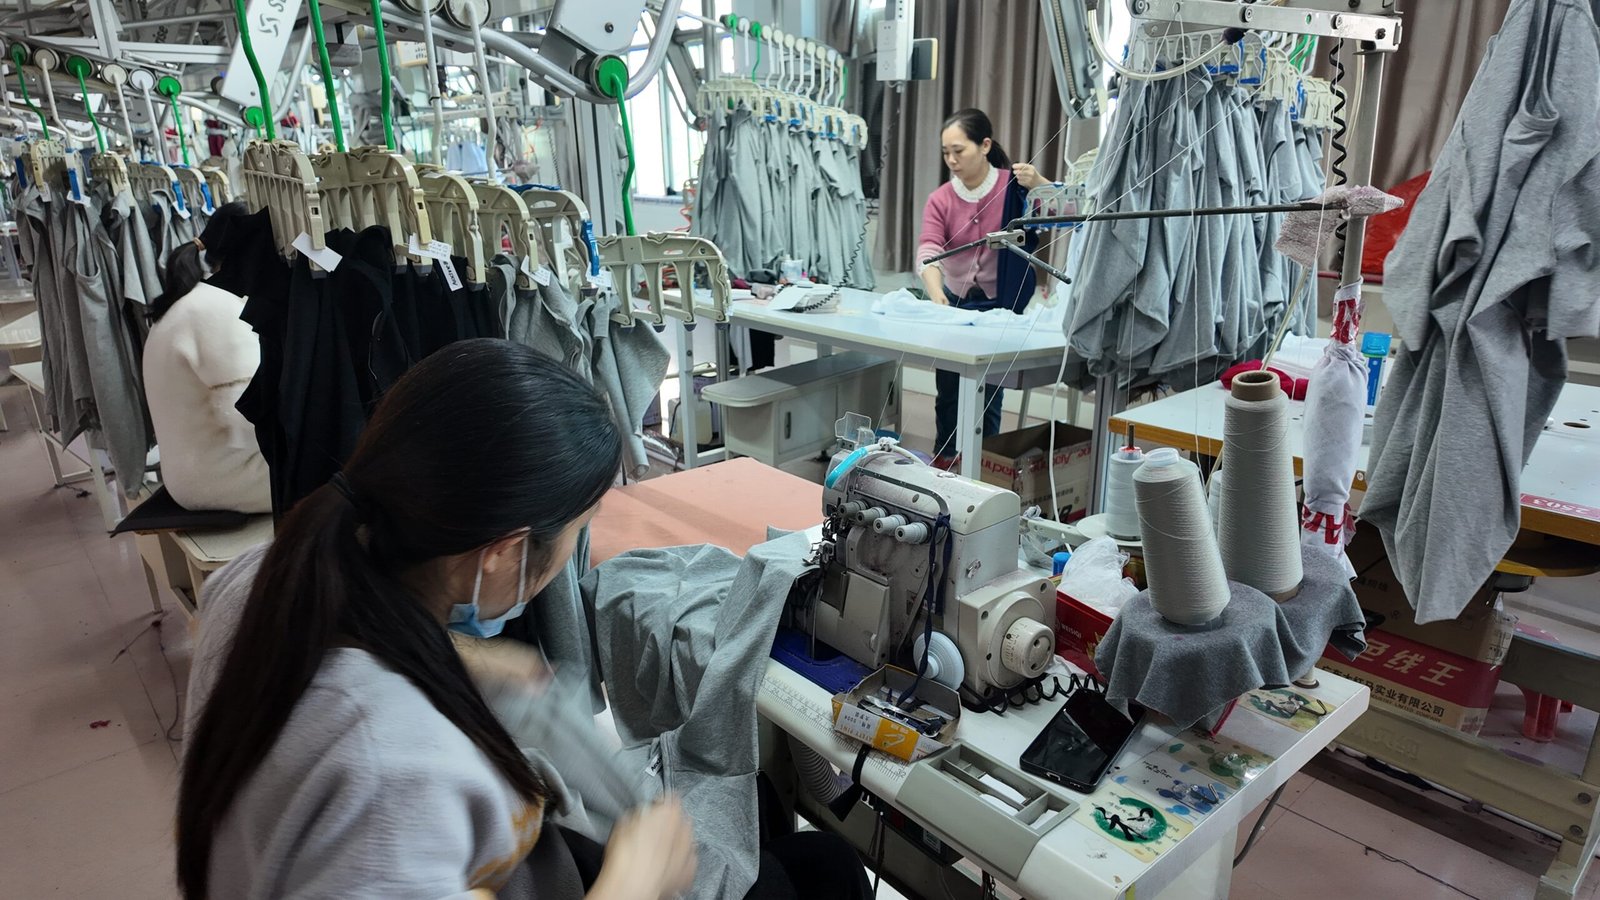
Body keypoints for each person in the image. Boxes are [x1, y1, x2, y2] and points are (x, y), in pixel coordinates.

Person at [177, 339, 870, 900]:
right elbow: (387, 786)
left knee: (779, 831)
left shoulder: (260, 582)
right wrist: (634, 881)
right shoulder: (391, 773)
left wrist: (460, 655)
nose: (575, 551)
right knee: (823, 871)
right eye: (578, 531)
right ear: (505, 554)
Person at [915, 108, 1051, 467]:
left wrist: (1039, 183)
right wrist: (937, 294)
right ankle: (944, 461)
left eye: (959, 151)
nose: (951, 160)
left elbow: (1062, 214)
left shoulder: (1014, 187)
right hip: (954, 303)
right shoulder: (941, 198)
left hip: (999, 306)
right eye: (946, 152)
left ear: (985, 145)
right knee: (948, 391)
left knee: (989, 392)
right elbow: (929, 248)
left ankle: (984, 468)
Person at [142, 202, 271, 513]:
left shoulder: (193, 300)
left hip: (192, 475)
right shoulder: (216, 311)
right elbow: (244, 422)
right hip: (221, 480)